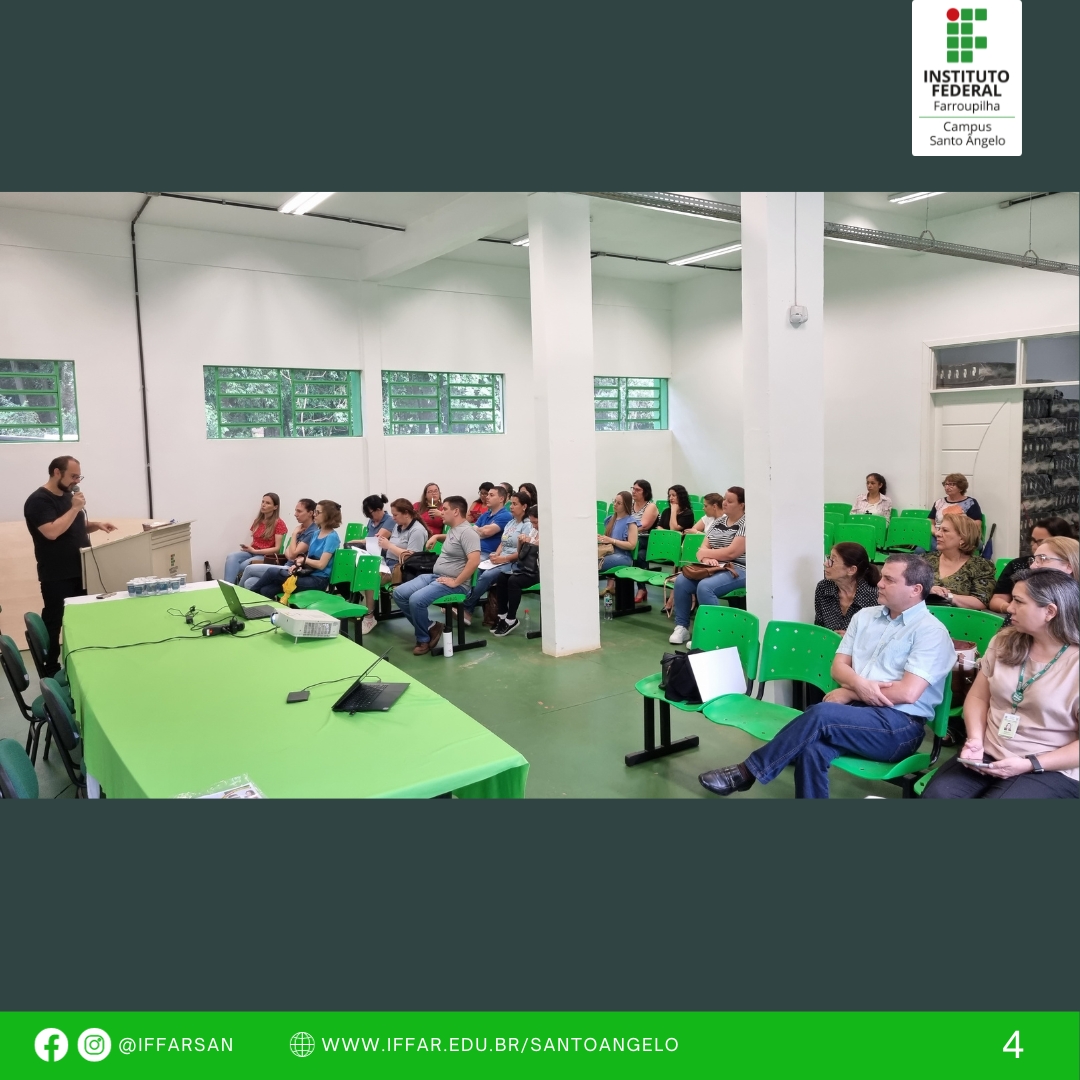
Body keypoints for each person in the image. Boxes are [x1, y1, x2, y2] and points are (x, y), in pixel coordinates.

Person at [699, 553, 955, 799]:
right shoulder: (865, 617)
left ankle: (746, 772)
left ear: (915, 589)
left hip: (899, 726)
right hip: (855, 714)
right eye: (882, 576)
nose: (879, 583)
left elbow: (908, 692)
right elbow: (838, 667)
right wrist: (857, 688)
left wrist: (850, 691)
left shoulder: (931, 632)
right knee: (812, 749)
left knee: (821, 715)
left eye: (889, 579)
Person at [923, 570, 1079, 799]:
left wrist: (1030, 763)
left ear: (1050, 611)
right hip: (990, 750)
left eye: (1018, 601)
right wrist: (975, 740)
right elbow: (978, 697)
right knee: (938, 795)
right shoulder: (1004, 641)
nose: (1009, 608)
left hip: (1051, 765)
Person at [23, 456, 117, 673]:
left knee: (83, 617)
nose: (76, 481)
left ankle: (83, 662)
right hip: (57, 574)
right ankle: (51, 669)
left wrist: (95, 524)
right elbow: (52, 531)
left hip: (81, 569)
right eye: (73, 476)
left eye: (79, 477)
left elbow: (72, 525)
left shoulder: (67, 497)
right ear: (57, 472)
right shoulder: (38, 501)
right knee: (55, 621)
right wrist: (75, 508)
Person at [393, 496, 481, 654]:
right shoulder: (454, 529)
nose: (441, 512)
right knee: (399, 593)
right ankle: (431, 627)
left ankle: (423, 639)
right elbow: (454, 540)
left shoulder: (469, 533)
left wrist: (456, 582)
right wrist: (436, 536)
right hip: (436, 577)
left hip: (454, 583)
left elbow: (474, 562)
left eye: (445, 509)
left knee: (416, 600)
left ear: (456, 511)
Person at [667, 489, 746, 646]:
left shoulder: (745, 523)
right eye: (724, 499)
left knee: (705, 587)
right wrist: (707, 558)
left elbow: (732, 553)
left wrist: (708, 554)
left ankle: (713, 634)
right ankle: (682, 627)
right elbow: (701, 549)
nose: (724, 503)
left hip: (738, 569)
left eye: (730, 501)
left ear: (742, 505)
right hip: (714, 567)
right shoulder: (718, 522)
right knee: (681, 581)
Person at [462, 491, 533, 626]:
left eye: (515, 504)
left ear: (524, 506)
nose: (511, 507)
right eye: (511, 504)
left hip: (515, 562)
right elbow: (502, 542)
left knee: (487, 576)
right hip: (502, 558)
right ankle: (468, 609)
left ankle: (465, 605)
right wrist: (496, 554)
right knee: (477, 570)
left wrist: (503, 559)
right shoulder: (511, 523)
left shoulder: (527, 525)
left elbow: (523, 553)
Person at [254, 500, 341, 598]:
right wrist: (297, 565)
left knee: (272, 572)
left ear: (328, 515)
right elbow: (308, 559)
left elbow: (321, 565)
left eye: (317, 512)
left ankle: (247, 599)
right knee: (266, 590)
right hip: (307, 574)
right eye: (315, 511)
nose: (314, 515)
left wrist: (303, 560)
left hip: (318, 580)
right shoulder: (316, 533)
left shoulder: (332, 537)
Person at [991, 519, 1078, 615]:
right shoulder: (1017, 565)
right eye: (1033, 540)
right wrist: (1015, 608)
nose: (1032, 566)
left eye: (1043, 558)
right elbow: (997, 599)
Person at [239, 499, 318, 591]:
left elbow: (292, 555)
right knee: (250, 582)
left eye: (299, 511)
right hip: (286, 564)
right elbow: (288, 552)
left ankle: (236, 595)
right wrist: (292, 552)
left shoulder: (311, 532)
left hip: (291, 569)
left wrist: (294, 534)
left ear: (310, 513)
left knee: (249, 569)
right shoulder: (302, 528)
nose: (295, 514)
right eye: (295, 511)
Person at [926, 514, 995, 610]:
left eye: (945, 530)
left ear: (962, 538)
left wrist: (946, 596)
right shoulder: (924, 561)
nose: (937, 534)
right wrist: (927, 590)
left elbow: (981, 601)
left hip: (960, 617)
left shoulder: (981, 566)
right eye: (939, 529)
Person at [492, 506, 540, 637]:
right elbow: (521, 553)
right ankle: (502, 615)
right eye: (532, 522)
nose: (534, 526)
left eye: (536, 522)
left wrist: (532, 543)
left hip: (539, 571)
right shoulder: (534, 531)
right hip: (526, 567)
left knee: (514, 581)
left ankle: (511, 619)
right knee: (502, 577)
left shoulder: (549, 533)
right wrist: (521, 542)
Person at [816, 542, 881, 634]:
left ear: (851, 570)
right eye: (828, 558)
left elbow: (879, 635)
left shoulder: (875, 596)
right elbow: (819, 628)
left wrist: (852, 638)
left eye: (832, 561)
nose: (825, 564)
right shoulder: (823, 588)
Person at [223, 493, 288, 584]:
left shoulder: (279, 523)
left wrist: (256, 551)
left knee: (242, 566)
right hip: (252, 551)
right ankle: (228, 586)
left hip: (265, 555)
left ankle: (236, 587)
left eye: (268, 503)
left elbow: (277, 548)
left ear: (275, 507)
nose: (263, 505)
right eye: (263, 502)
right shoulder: (257, 521)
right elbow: (256, 541)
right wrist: (249, 548)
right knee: (231, 556)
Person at [599, 491, 638, 579]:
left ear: (626, 505)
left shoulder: (630, 522)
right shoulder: (611, 519)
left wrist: (612, 540)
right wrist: (601, 538)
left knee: (594, 563)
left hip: (623, 557)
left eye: (619, 503)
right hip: (609, 553)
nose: (615, 504)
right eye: (614, 501)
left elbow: (631, 545)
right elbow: (607, 540)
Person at [473, 484, 512, 558]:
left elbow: (486, 532)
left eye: (491, 495)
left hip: (488, 554)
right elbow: (472, 531)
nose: (487, 497)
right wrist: (481, 532)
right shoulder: (486, 514)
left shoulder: (506, 515)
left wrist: (479, 531)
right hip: (474, 550)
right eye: (488, 495)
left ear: (501, 499)